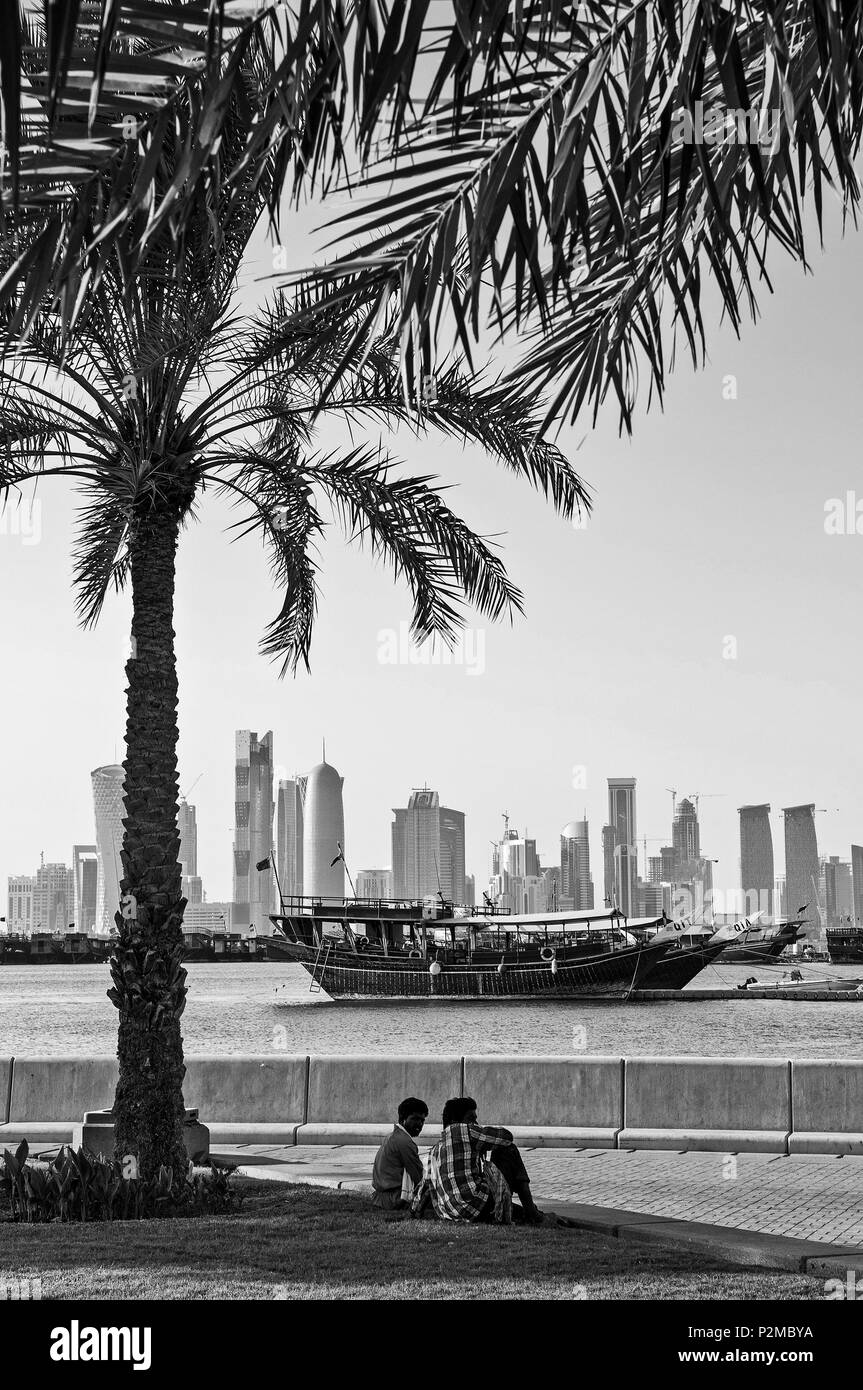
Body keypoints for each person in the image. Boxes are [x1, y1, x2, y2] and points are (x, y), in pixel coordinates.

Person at [411, 1096, 544, 1225]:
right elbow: (506, 1137)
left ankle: (527, 1211)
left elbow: (423, 1190)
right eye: (471, 1119)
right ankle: (532, 1212)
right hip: (476, 1205)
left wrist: (415, 1212)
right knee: (508, 1150)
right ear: (455, 1121)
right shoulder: (463, 1130)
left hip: (453, 1214)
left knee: (513, 1208)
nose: (475, 1124)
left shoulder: (434, 1150)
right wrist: (480, 1137)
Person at [371, 1097, 429, 1211]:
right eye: (415, 1119)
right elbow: (419, 1178)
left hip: (381, 1198)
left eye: (422, 1120)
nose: (419, 1124)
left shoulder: (393, 1136)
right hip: (393, 1199)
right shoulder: (404, 1141)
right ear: (403, 1119)